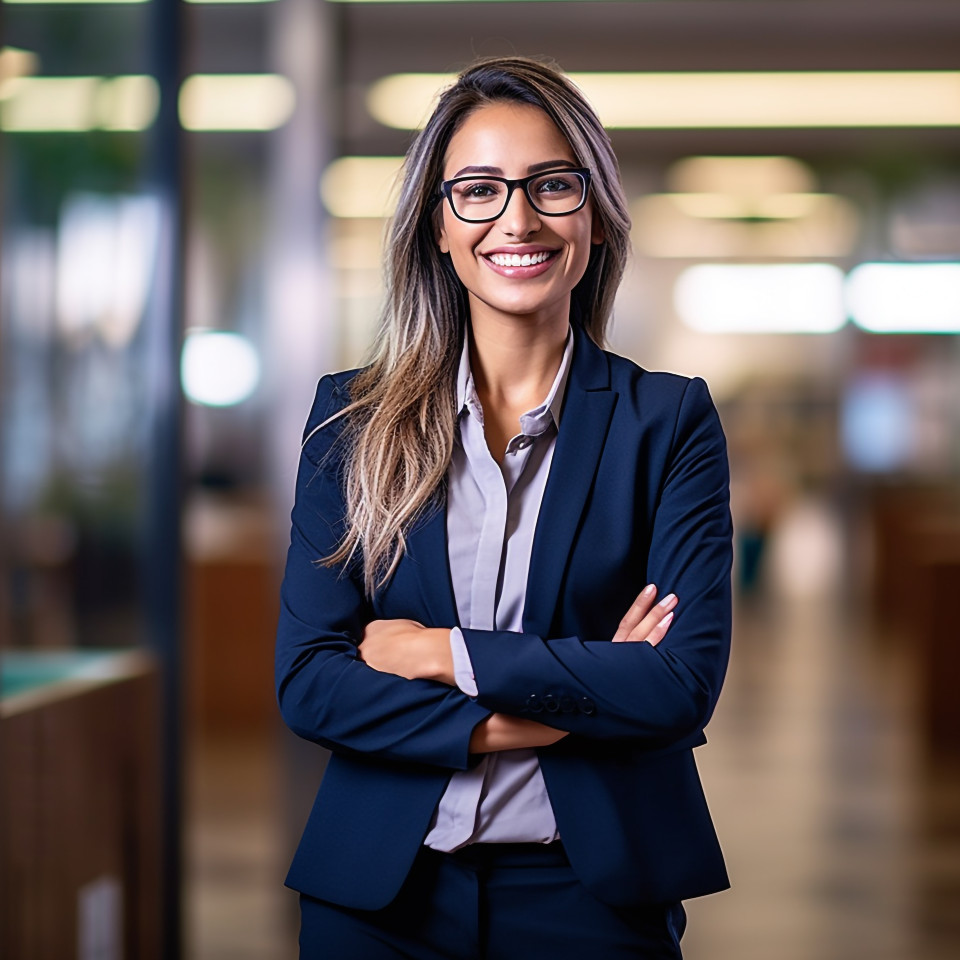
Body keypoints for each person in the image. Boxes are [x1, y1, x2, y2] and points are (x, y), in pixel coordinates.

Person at [276, 56, 733, 959]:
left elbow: (677, 687)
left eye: (551, 185)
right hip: (378, 901)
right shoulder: (352, 420)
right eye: (478, 191)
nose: (517, 219)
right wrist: (570, 701)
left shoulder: (668, 421)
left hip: (590, 899)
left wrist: (435, 653)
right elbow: (313, 683)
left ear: (595, 216)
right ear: (437, 228)